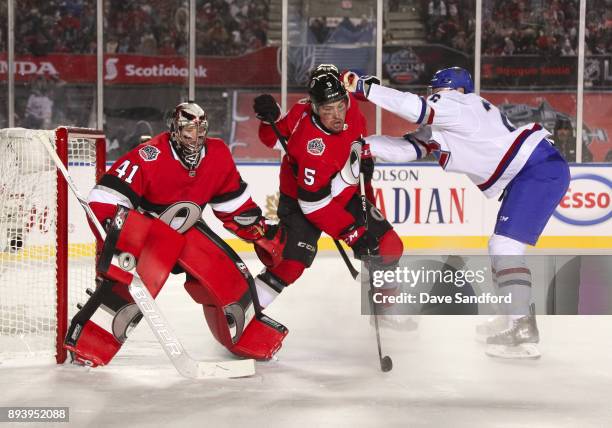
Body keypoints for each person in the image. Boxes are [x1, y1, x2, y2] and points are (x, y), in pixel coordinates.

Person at [345, 67, 570, 359]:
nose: (433, 96)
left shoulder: (462, 105)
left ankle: (522, 327)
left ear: (455, 90)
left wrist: (363, 88)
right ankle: (512, 318)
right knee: (501, 248)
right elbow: (409, 148)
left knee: (504, 246)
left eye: (436, 91)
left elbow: (413, 108)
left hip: (537, 170)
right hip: (533, 170)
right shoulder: (451, 119)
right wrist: (365, 146)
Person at [64, 102, 288, 367]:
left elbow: (232, 204)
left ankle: (248, 339)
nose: (195, 136)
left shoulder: (217, 154)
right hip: (149, 235)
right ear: (174, 129)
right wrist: (125, 238)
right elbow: (103, 198)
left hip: (189, 231)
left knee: (229, 275)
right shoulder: (149, 154)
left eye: (200, 129)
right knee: (127, 291)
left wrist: (260, 232)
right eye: (188, 129)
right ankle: (89, 345)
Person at [250, 68, 405, 322]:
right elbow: (314, 204)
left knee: (389, 247)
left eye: (339, 106)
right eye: (327, 109)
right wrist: (273, 119)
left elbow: (357, 134)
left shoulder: (350, 104)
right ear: (313, 106)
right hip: (304, 200)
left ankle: (384, 310)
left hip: (343, 189)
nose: (336, 116)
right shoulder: (310, 143)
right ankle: (243, 311)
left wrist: (363, 156)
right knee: (291, 264)